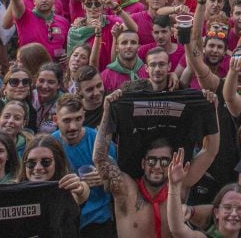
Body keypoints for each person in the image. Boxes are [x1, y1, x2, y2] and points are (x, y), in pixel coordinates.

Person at [93, 89, 220, 238]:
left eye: (165, 161)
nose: (158, 166)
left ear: (172, 163)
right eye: (152, 160)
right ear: (143, 163)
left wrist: (212, 109)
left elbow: (210, 151)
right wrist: (108, 111)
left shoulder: (180, 185)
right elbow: (100, 158)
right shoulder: (126, 190)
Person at [51, 94, 115, 237]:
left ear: (84, 116)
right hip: (62, 221)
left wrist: (105, 178)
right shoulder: (50, 145)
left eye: (78, 119)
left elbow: (121, 182)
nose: (73, 126)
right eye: (66, 120)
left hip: (97, 219)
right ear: (56, 120)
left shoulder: (100, 142)